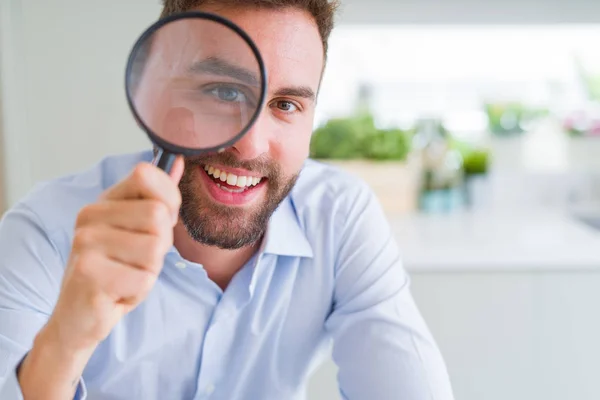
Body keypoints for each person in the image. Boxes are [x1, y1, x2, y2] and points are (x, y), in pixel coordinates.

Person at [0, 0, 455, 399]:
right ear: (156, 94)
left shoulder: (340, 217)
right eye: (224, 91)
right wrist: (66, 340)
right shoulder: (44, 232)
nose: (252, 145)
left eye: (286, 105)